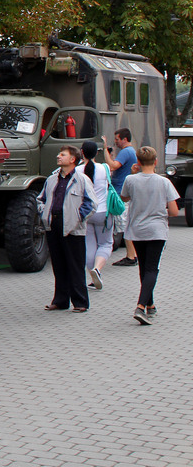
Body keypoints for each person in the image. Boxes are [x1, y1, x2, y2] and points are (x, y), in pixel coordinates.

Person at [120, 146, 180, 325]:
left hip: (137, 230)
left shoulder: (130, 179)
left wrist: (132, 174)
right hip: (157, 230)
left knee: (144, 267)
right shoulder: (164, 182)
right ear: (155, 162)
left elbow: (124, 198)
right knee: (152, 269)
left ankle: (150, 304)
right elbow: (175, 212)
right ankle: (140, 306)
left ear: (137, 162)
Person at [35, 145, 95, 312]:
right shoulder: (52, 179)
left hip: (73, 228)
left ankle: (80, 302)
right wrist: (44, 213)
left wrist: (78, 219)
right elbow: (41, 199)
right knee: (59, 264)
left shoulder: (82, 180)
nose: (58, 156)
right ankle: (60, 300)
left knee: (75, 265)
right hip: (53, 225)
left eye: (63, 154)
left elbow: (91, 204)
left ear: (72, 159)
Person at [78, 140, 112, 290]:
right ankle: (97, 269)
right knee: (105, 243)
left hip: (86, 213)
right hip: (103, 212)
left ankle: (92, 275)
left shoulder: (77, 170)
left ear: (82, 152)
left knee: (89, 245)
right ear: (96, 153)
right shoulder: (105, 168)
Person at [104, 128, 139, 266]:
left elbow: (112, 166)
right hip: (122, 190)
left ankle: (131, 257)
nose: (116, 142)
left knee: (124, 225)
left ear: (124, 139)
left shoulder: (126, 152)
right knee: (126, 223)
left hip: (120, 191)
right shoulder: (130, 152)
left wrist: (105, 149)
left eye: (117, 139)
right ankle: (133, 254)